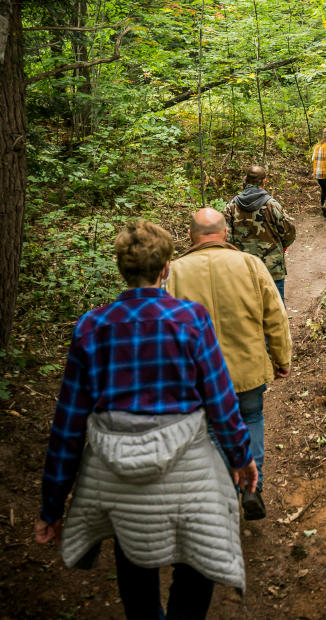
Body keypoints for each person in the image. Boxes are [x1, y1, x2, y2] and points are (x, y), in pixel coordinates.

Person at [34, 220, 257, 620]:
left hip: (117, 477)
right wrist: (242, 457)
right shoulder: (190, 319)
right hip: (189, 474)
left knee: (134, 555)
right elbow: (220, 401)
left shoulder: (92, 327)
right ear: (166, 267)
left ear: (121, 268)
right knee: (197, 562)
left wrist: (51, 506)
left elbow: (67, 426)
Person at [167, 207, 292, 522]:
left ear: (191, 236)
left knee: (210, 430)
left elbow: (164, 328)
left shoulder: (174, 273)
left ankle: (220, 495)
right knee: (251, 418)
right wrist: (281, 357)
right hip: (247, 367)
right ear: (225, 234)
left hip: (199, 375)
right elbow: (275, 316)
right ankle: (252, 487)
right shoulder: (251, 264)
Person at [223, 165, 296, 304]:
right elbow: (289, 232)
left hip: (243, 269)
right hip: (272, 267)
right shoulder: (272, 205)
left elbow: (226, 238)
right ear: (264, 182)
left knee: (247, 310)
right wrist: (281, 247)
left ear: (245, 180)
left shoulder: (231, 206)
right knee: (276, 307)